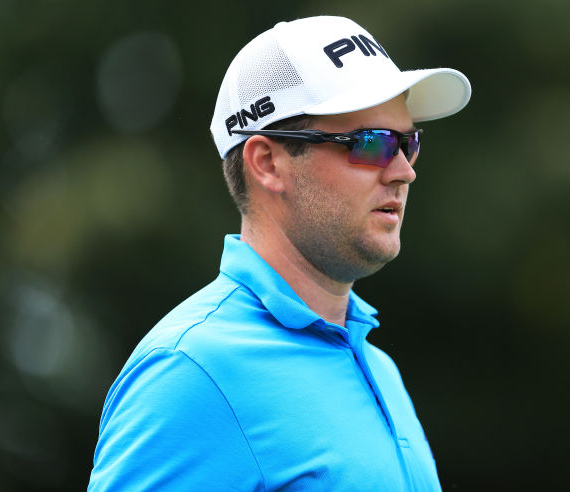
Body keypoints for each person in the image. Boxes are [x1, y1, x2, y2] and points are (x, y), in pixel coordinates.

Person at [88, 15, 470, 491]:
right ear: (268, 163)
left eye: (408, 143)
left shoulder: (379, 368)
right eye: (371, 144)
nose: (403, 172)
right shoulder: (190, 371)